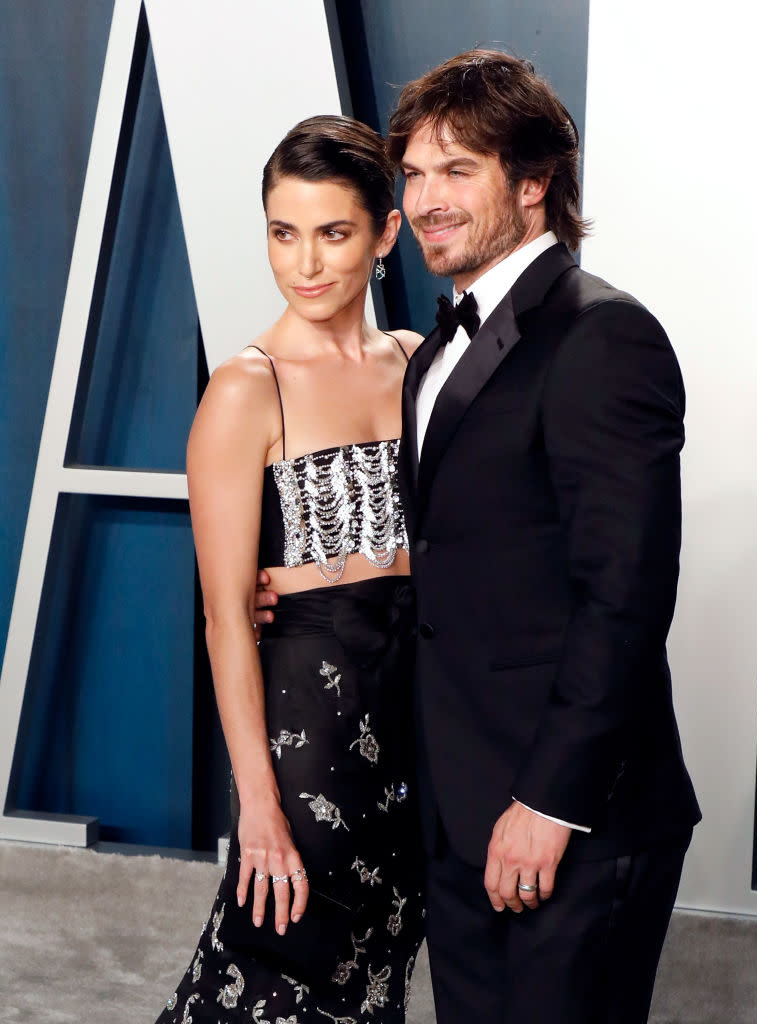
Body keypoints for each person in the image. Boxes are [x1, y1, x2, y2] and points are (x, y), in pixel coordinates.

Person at [259, 50, 702, 1023]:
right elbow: (457, 558)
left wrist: (549, 804)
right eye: (413, 174)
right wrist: (305, 584)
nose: (425, 199)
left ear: (534, 181)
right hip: (457, 810)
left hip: (569, 816)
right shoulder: (436, 353)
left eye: (459, 171)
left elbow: (623, 598)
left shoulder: (601, 338)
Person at [156, 115, 425, 1024]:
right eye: (283, 232)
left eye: (333, 232)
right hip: (306, 734)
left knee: (375, 977)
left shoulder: (420, 367)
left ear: (387, 233)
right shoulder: (245, 387)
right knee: (276, 976)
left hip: (417, 725)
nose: (304, 263)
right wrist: (256, 810)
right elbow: (226, 616)